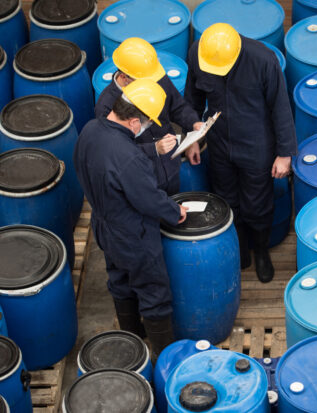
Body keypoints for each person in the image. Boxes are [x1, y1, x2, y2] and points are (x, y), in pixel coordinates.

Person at [74, 79, 187, 360]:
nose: (148, 127)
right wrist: (175, 213)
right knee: (154, 294)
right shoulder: (127, 157)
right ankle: (164, 360)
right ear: (135, 121)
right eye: (147, 122)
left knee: (120, 281)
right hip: (134, 234)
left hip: (104, 226)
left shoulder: (90, 130)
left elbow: (106, 163)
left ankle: (133, 342)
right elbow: (147, 197)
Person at [184, 23, 297, 283]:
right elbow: (193, 99)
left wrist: (284, 153)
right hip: (219, 141)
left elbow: (281, 107)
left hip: (257, 143)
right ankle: (240, 250)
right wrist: (192, 139)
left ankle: (260, 253)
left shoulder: (263, 60)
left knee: (258, 202)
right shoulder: (198, 54)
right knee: (226, 198)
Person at [95, 37, 203, 195]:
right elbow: (114, 151)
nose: (152, 85)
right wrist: (154, 149)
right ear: (124, 76)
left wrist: (193, 126)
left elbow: (177, 107)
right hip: (140, 178)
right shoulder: (106, 106)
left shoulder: (154, 77)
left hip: (170, 165)